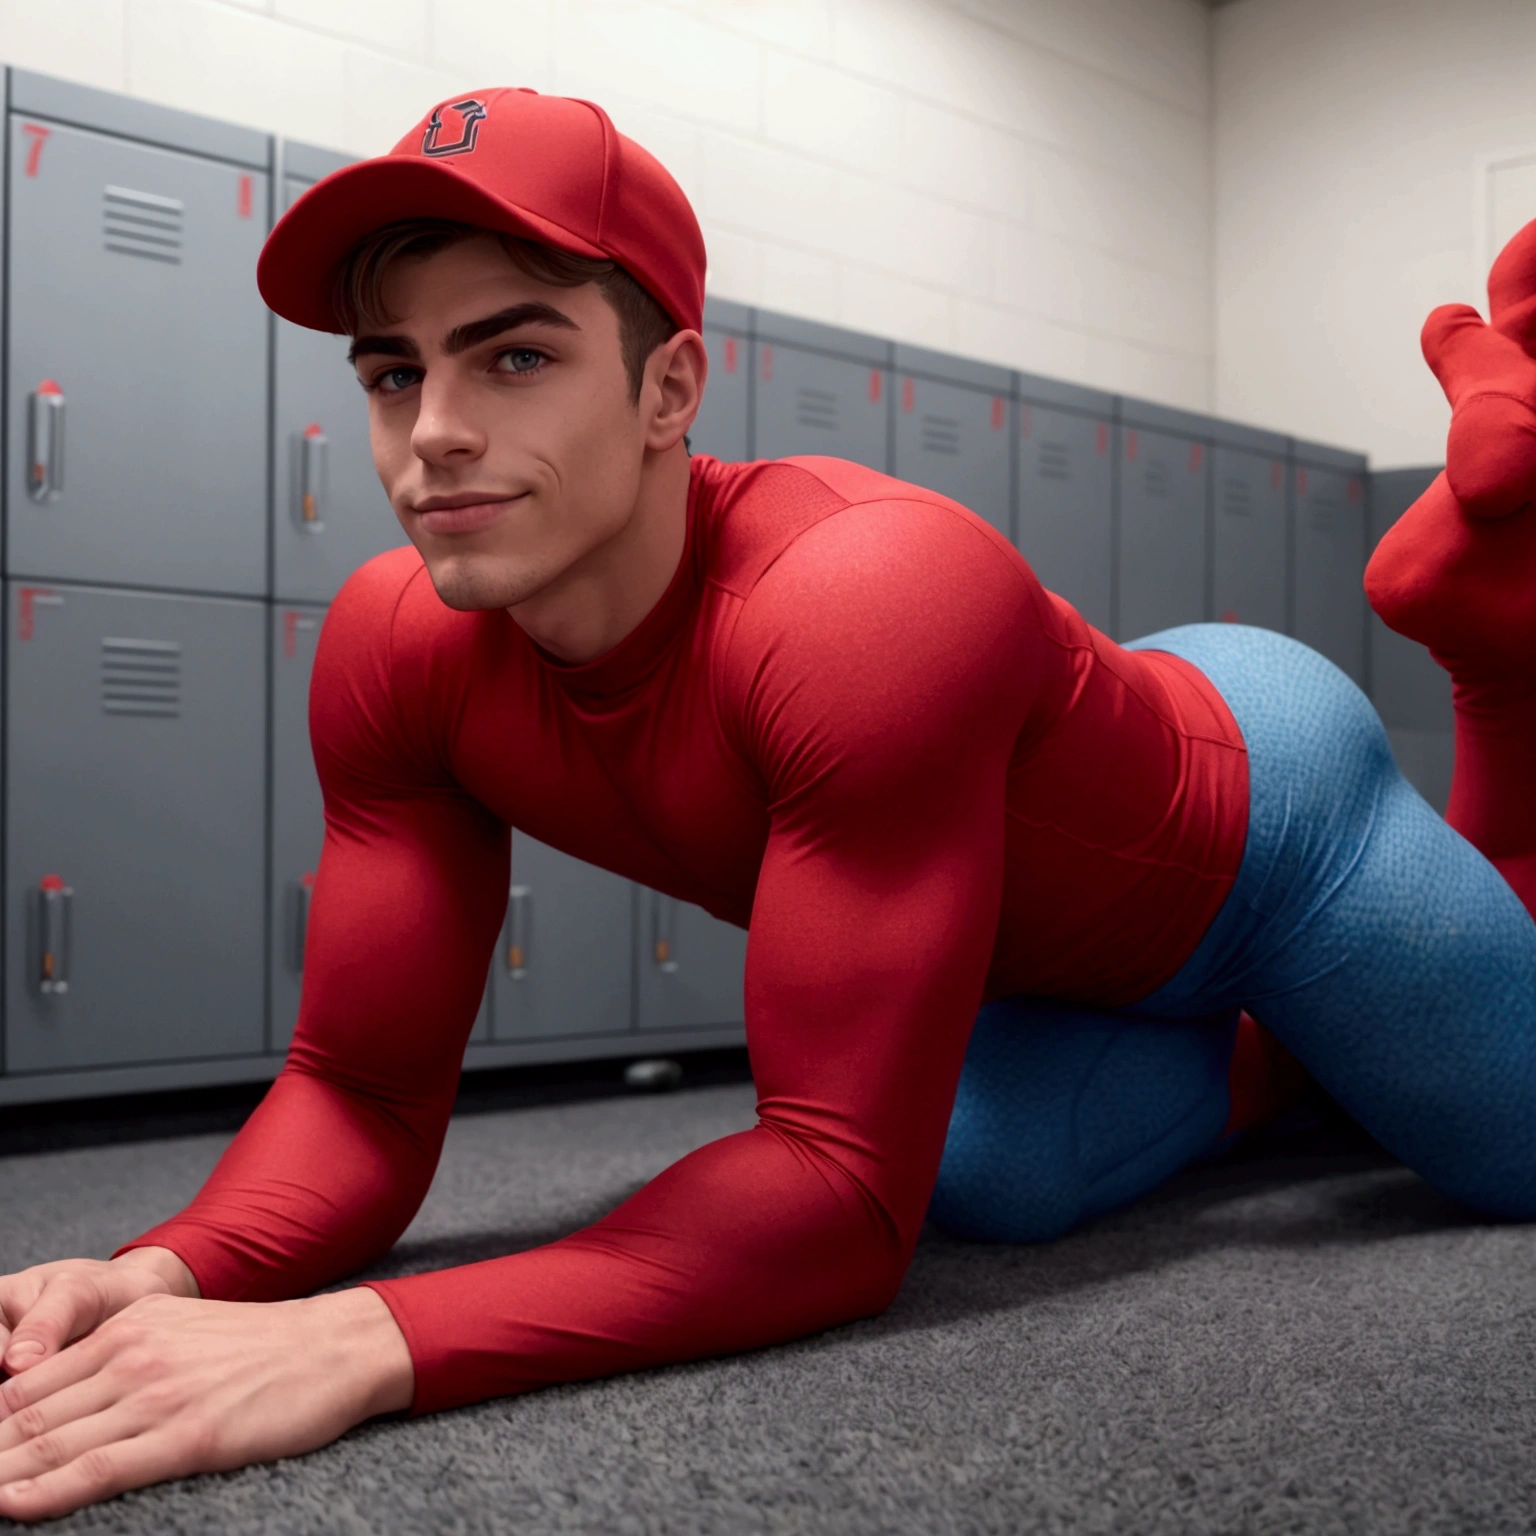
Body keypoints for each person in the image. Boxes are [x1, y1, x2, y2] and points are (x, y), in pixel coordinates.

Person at [0, 87, 1532, 1522]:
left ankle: (1494, 689)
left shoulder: (862, 598)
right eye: (395, 371)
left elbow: (831, 1202)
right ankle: (1286, 1061)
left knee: (1508, 1157)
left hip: (1269, 825)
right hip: (1031, 934)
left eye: (513, 356)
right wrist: (174, 1271)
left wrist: (365, 1340)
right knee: (984, 1181)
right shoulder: (398, 648)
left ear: (670, 389)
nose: (434, 432)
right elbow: (360, 1092)